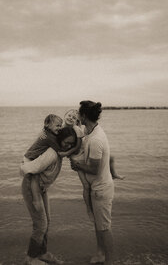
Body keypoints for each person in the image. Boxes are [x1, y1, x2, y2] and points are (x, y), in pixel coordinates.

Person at [20, 126, 77, 265]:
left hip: (41, 188)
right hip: (31, 187)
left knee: (47, 222)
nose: (68, 146)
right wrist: (36, 199)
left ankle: (42, 253)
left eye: (71, 144)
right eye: (66, 142)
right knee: (40, 225)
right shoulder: (52, 153)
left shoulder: (60, 152)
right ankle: (30, 258)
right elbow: (31, 172)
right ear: (60, 139)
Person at [70, 100, 114, 265]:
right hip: (97, 188)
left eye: (79, 114)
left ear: (84, 116)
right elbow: (80, 135)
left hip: (101, 190)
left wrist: (77, 164)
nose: (78, 116)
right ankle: (101, 254)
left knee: (104, 228)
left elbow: (94, 169)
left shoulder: (96, 139)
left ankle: (109, 261)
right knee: (98, 225)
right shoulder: (92, 131)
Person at [58, 109, 94, 221]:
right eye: (69, 115)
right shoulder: (60, 128)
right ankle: (89, 208)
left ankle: (91, 208)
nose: (70, 118)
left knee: (89, 185)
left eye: (74, 118)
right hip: (75, 157)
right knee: (87, 185)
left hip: (83, 156)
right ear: (65, 115)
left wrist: (65, 154)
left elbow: (77, 147)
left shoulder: (77, 129)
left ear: (76, 121)